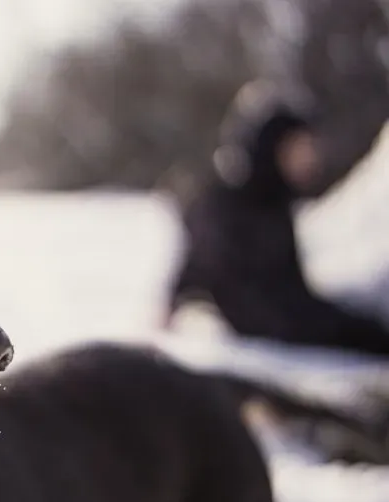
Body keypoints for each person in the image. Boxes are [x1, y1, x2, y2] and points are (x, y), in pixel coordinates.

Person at [163, 81, 389, 357]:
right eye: (299, 147)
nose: (311, 158)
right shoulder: (225, 209)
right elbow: (265, 314)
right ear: (272, 148)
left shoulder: (272, 206)